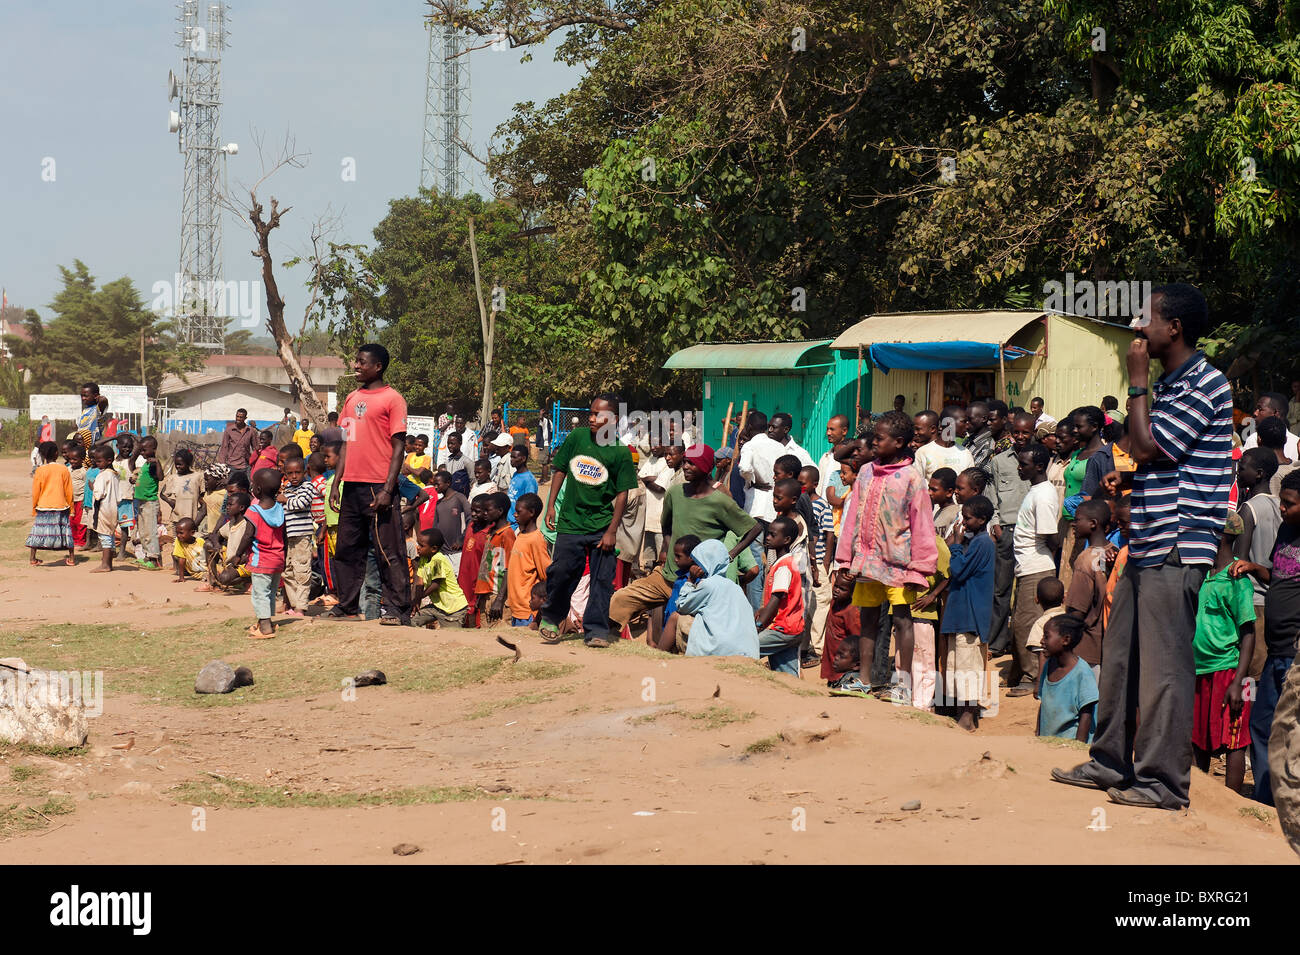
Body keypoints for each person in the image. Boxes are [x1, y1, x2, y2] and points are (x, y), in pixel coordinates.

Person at [1052, 283, 1234, 811]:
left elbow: (1151, 445)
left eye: (1144, 318)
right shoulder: (1172, 383)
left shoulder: (1204, 382)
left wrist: (1135, 385)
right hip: (1146, 539)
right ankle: (1110, 761)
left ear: (1173, 328)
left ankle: (1163, 782)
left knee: (1165, 668)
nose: (1135, 328)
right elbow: (1135, 447)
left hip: (1177, 545)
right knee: (1123, 658)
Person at [831, 411, 938, 700]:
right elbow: (852, 516)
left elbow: (922, 525)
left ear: (899, 441)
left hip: (899, 565)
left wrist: (920, 568)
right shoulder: (865, 472)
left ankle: (903, 686)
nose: (874, 442)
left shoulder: (912, 478)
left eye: (880, 438)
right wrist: (845, 559)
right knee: (868, 619)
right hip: (867, 561)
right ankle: (865, 680)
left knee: (902, 621)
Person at [611, 444, 760, 642]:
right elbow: (667, 526)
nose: (686, 467)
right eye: (686, 462)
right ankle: (609, 643)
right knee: (621, 599)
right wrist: (667, 548)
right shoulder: (674, 493)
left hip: (699, 585)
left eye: (692, 463)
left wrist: (729, 555)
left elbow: (754, 528)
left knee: (685, 631)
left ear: (706, 467)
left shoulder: (720, 501)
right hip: (667, 576)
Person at [537, 396, 637, 648]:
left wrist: (612, 531)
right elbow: (560, 469)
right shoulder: (577, 438)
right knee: (561, 572)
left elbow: (623, 493)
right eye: (590, 413)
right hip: (570, 522)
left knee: (602, 580)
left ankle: (596, 631)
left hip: (602, 526)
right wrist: (550, 506)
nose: (591, 418)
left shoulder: (621, 452)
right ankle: (551, 618)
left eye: (597, 414)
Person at [327, 343, 412, 624]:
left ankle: (397, 609)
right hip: (351, 485)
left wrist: (389, 489)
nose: (356, 366)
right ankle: (347, 605)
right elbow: (345, 444)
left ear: (378, 366)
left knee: (389, 551)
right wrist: (336, 483)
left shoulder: (393, 399)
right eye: (356, 361)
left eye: (362, 362)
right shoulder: (351, 398)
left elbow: (398, 448)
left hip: (378, 486)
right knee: (347, 550)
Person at [1231, 469, 1300, 805]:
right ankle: (1264, 799)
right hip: (1276, 647)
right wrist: (1255, 568)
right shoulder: (1287, 530)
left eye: (1288, 504)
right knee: (1261, 724)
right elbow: (1280, 575)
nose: (1282, 509)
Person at [1183, 512, 1256, 794]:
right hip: (1198, 668)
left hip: (1227, 669)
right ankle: (1201, 795)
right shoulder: (1202, 574)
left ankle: (1233, 803)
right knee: (1198, 735)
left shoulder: (1237, 580)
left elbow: (1248, 633)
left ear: (1220, 535)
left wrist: (1239, 682)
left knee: (1233, 738)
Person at [1008, 443, 1063, 697]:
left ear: (1039, 467)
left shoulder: (1042, 495)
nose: (1019, 468)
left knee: (1026, 624)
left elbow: (1050, 536)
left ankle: (1032, 677)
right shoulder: (1036, 491)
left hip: (1036, 567)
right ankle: (1021, 673)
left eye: (1024, 464)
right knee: (1020, 621)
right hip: (1027, 565)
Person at [938, 495, 995, 730]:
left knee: (968, 668)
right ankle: (962, 712)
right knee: (957, 666)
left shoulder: (983, 543)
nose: (964, 521)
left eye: (968, 518)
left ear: (982, 520)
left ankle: (968, 718)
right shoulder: (976, 541)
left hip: (971, 618)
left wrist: (956, 545)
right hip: (961, 616)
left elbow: (959, 571)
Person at [662, 538, 760, 658]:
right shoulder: (735, 587)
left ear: (706, 563)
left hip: (720, 648)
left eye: (697, 562)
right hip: (748, 651)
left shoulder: (708, 584)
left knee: (675, 617)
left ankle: (657, 658)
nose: (694, 566)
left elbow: (682, 606)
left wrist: (690, 581)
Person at [987, 411, 1035, 656]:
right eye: (1016, 432)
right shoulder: (999, 461)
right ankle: (996, 643)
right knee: (1000, 590)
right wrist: (995, 522)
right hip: (1005, 531)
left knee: (1026, 592)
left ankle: (1021, 644)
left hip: (1031, 534)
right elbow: (992, 494)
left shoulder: (1041, 459)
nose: (1020, 436)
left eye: (1025, 432)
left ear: (1033, 432)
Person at [1235, 447, 1281, 680]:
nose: (1238, 471)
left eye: (1242, 468)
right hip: (1274, 598)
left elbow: (1239, 560)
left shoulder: (1248, 509)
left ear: (1259, 473)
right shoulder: (1280, 504)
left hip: (1252, 602)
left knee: (1251, 675)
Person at [230, 468, 287, 639]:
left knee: (259, 593)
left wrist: (238, 554)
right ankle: (266, 620)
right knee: (270, 591)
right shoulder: (279, 509)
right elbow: (284, 535)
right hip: (278, 559)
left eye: (254, 485)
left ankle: (264, 627)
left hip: (261, 559)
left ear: (258, 490)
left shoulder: (254, 511)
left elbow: (248, 535)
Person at [1063, 498, 1112, 674]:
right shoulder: (1112, 552)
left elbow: (1077, 611)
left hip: (1087, 645)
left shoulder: (1085, 561)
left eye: (1077, 519)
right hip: (1106, 641)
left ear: (1093, 523)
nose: (1073, 523)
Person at [754, 516, 806, 675]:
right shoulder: (782, 563)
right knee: (786, 674)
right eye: (767, 533)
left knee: (745, 648)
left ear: (786, 540)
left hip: (782, 629)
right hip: (791, 628)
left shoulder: (784, 567)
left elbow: (776, 600)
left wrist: (758, 626)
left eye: (772, 535)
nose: (767, 538)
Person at [1037, 615, 1099, 742]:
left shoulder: (1082, 673)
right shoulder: (1049, 666)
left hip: (1070, 746)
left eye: (1046, 636)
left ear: (1065, 640)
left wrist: (1076, 751)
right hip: (1047, 746)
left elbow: (1086, 717)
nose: (1041, 641)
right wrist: (1038, 736)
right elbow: (1043, 705)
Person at [279, 455, 319, 616]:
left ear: (305, 472)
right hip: (288, 536)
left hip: (302, 536)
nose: (294, 476)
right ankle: (295, 604)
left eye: (298, 472)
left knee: (302, 570)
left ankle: (301, 606)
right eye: (290, 473)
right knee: (288, 571)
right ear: (285, 474)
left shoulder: (308, 487)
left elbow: (301, 503)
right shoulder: (287, 488)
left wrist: (284, 499)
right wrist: (283, 497)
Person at [28, 440, 75, 566]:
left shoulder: (40, 471)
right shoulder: (63, 469)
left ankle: (33, 558)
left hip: (43, 506)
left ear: (42, 456)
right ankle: (71, 558)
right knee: (66, 531)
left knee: (37, 532)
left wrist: (34, 507)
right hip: (61, 505)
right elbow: (69, 490)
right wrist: (71, 508)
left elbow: (35, 491)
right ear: (56, 454)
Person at [410, 528, 469, 628]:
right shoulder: (423, 559)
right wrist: (416, 601)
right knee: (412, 621)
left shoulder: (438, 560)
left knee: (450, 637)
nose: (418, 547)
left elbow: (436, 584)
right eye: (418, 544)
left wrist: (420, 596)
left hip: (453, 609)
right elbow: (420, 582)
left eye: (421, 546)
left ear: (433, 549)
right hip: (438, 606)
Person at [506, 493, 548, 627]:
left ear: (531, 513)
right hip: (515, 608)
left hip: (527, 610)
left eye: (519, 512)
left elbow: (545, 574)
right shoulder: (520, 535)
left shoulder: (536, 539)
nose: (515, 515)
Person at [475, 492, 516, 625]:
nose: (485, 513)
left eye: (488, 510)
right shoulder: (491, 533)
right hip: (486, 594)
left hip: (497, 595)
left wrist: (499, 599)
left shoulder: (507, 534)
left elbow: (509, 569)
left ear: (499, 511)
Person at [1024, 576, 1067, 687]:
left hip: (1051, 678)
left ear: (1036, 599)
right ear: (1064, 599)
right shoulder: (1069, 619)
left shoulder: (1040, 624)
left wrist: (1039, 682)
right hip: (1071, 674)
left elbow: (1043, 655)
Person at [911, 409, 974, 482]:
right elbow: (916, 484)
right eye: (964, 421)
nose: (967, 425)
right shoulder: (923, 452)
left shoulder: (965, 453)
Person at [131, 435, 164, 571]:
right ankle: (146, 556)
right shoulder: (145, 464)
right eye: (141, 450)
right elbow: (143, 479)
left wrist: (157, 463)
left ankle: (154, 558)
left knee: (150, 531)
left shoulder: (154, 463)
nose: (142, 453)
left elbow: (160, 477)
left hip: (150, 502)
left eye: (144, 450)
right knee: (143, 531)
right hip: (141, 501)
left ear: (154, 449)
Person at [160, 449, 205, 544]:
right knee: (177, 547)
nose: (177, 466)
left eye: (180, 464)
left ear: (188, 463)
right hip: (177, 519)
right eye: (176, 464)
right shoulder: (173, 478)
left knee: (192, 547)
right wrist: (170, 501)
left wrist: (198, 519)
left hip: (192, 520)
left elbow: (202, 498)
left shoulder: (198, 477)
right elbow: (162, 494)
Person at [431, 470, 469, 573]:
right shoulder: (439, 503)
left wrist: (461, 539)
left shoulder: (459, 498)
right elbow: (435, 527)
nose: (435, 487)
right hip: (442, 551)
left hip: (456, 550)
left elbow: (470, 519)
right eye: (434, 484)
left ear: (448, 483)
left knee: (457, 580)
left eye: (437, 484)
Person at [89, 446, 119, 573]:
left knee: (105, 536)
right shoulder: (115, 475)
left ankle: (105, 564)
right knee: (110, 535)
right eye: (96, 460)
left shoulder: (103, 476)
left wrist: (92, 486)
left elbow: (98, 494)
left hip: (104, 509)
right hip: (114, 509)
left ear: (109, 460)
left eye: (99, 461)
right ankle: (109, 563)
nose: (97, 463)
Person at [1243, 391, 1299, 458]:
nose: (1255, 413)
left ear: (1275, 413)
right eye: (1256, 409)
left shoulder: (1297, 444)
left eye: (1260, 409)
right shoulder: (1253, 440)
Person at [507, 445, 538, 530]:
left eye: (514, 457)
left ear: (523, 459)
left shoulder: (529, 480)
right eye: (511, 457)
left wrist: (522, 527)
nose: (511, 460)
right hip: (510, 522)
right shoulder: (515, 474)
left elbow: (530, 504)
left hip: (518, 525)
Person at [217, 409, 257, 475]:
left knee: (248, 484)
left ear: (245, 418)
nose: (238, 419)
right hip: (232, 465)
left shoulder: (250, 431)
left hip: (246, 466)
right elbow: (224, 448)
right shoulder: (229, 430)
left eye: (241, 417)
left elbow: (255, 448)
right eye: (237, 416)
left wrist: (255, 463)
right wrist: (222, 465)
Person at [64, 444, 88, 551]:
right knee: (71, 521)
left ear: (82, 459)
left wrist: (85, 500)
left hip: (80, 500)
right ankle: (73, 539)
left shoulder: (83, 472)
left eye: (75, 459)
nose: (72, 461)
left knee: (80, 521)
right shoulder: (68, 469)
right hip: (70, 500)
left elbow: (87, 486)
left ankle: (81, 541)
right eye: (70, 459)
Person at [928, 468, 959, 536]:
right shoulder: (937, 512)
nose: (929, 492)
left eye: (934, 490)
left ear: (949, 492)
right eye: (929, 488)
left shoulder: (956, 514)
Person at [965, 400, 994, 472]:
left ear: (984, 419)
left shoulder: (988, 446)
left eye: (970, 419)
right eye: (966, 419)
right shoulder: (969, 440)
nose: (966, 423)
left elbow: (974, 474)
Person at [442, 431, 472, 496]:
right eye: (448, 443)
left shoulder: (467, 462)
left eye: (452, 443)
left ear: (460, 443)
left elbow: (473, 481)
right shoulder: (448, 461)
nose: (449, 446)